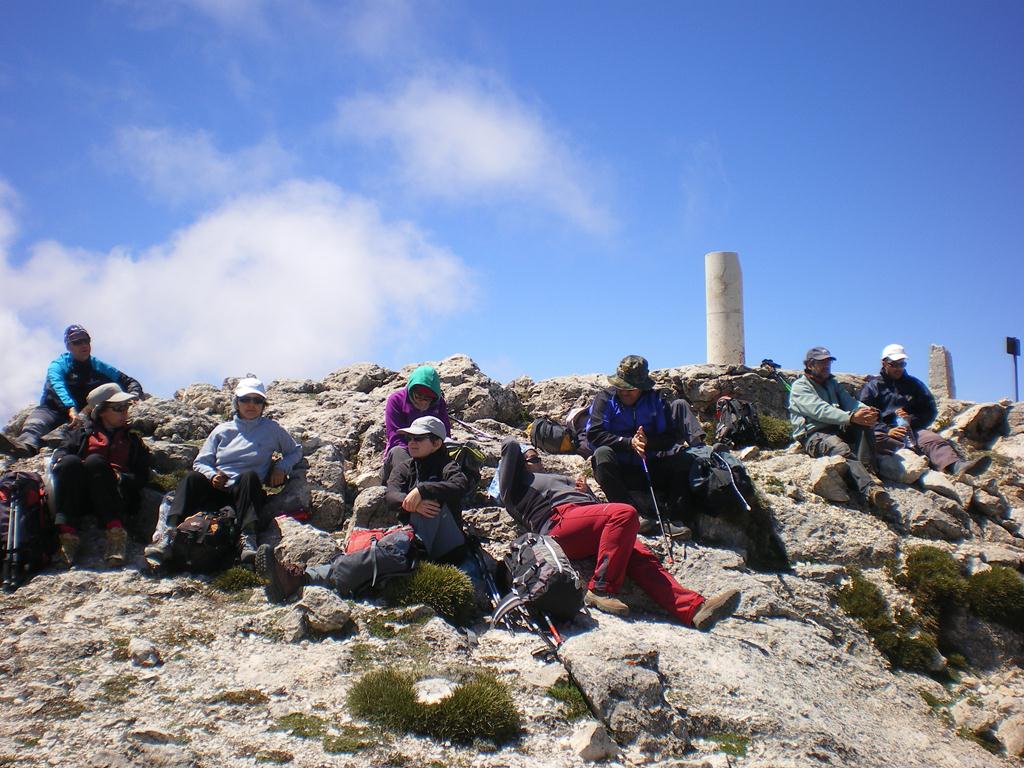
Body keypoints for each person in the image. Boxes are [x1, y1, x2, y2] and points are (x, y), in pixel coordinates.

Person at [495, 438, 740, 629]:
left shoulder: (554, 478)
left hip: (587, 522)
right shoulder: (514, 486)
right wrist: (521, 451)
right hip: (557, 524)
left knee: (641, 555)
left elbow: (594, 510)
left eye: (537, 457)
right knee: (624, 513)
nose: (536, 461)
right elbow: (510, 446)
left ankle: (694, 609)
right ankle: (601, 588)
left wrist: (588, 493)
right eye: (531, 458)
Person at [144, 377, 302, 568]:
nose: (251, 404)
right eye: (245, 399)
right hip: (217, 488)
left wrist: (281, 467)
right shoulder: (222, 430)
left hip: (245, 494)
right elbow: (201, 462)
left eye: (257, 400)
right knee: (192, 478)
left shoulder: (272, 429)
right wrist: (212, 476)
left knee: (249, 476)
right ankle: (168, 535)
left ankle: (248, 539)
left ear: (263, 404)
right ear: (237, 402)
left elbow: (295, 451)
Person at [586, 355, 703, 535]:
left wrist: (648, 443)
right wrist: (629, 443)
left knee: (685, 459)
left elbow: (670, 437)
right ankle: (631, 514)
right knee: (602, 454)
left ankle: (674, 518)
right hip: (620, 470)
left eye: (630, 389)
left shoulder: (656, 400)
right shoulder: (605, 399)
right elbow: (595, 434)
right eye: (621, 387)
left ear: (642, 387)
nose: (624, 392)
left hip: (651, 466)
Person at [0, 325, 144, 458]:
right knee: (36, 424)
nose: (83, 345)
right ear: (69, 346)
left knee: (83, 425)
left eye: (86, 340)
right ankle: (25, 447)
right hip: (53, 409)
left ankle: (59, 439)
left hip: (83, 413)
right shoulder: (58, 365)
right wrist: (70, 408)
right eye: (77, 342)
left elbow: (128, 381)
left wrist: (134, 396)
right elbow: (57, 386)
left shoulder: (98, 366)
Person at [50, 383, 150, 567]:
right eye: (118, 408)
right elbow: (60, 455)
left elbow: (143, 476)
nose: (124, 412)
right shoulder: (80, 434)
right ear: (101, 411)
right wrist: (63, 461)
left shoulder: (133, 441)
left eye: (126, 407)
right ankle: (67, 536)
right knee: (70, 462)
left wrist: (122, 478)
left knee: (95, 461)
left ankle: (116, 534)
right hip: (80, 496)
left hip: (115, 496)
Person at [858, 344, 989, 477]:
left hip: (912, 430)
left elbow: (930, 410)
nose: (898, 368)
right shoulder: (872, 387)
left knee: (933, 439)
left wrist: (912, 419)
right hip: (883, 432)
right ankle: (911, 452)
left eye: (902, 364)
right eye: (894, 364)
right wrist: (887, 430)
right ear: (884, 363)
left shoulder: (915, 385)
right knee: (873, 438)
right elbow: (864, 414)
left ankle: (956, 466)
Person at [788, 347, 892, 511]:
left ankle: (868, 471)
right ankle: (870, 489)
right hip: (813, 434)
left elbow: (850, 402)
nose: (826, 366)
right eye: (822, 363)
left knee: (864, 424)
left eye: (828, 362)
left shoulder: (832, 384)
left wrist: (866, 411)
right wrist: (850, 417)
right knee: (839, 448)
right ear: (809, 365)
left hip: (836, 427)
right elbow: (820, 410)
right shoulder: (800, 387)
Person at [385, 416, 469, 565]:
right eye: (409, 438)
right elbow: (390, 496)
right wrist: (414, 505)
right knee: (421, 506)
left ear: (436, 443)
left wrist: (422, 490)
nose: (411, 442)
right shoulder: (404, 468)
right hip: (410, 535)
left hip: (449, 547)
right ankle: (416, 555)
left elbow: (460, 485)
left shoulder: (447, 466)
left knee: (430, 503)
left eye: (418, 438)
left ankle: (417, 560)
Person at [382, 365, 451, 484]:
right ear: (411, 390)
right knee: (398, 452)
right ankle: (412, 486)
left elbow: (444, 434)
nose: (422, 401)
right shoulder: (396, 400)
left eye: (427, 399)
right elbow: (395, 437)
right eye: (418, 396)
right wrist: (418, 455)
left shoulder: (439, 404)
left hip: (429, 452)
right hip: (405, 452)